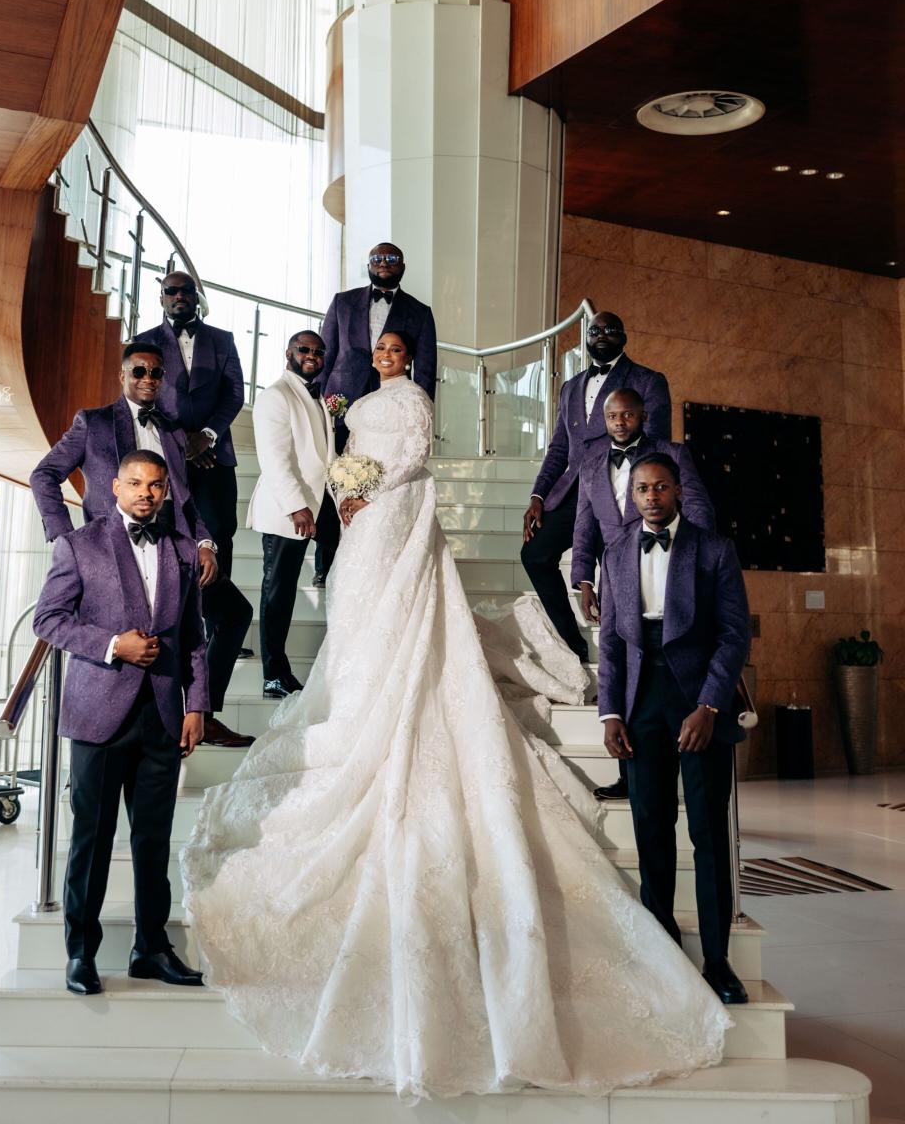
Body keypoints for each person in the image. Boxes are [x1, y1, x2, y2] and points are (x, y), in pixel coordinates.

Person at [180, 331, 730, 1099]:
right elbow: (351, 454)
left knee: (404, 617)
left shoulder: (413, 398)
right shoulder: (358, 400)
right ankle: (360, 698)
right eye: (379, 348)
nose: (386, 355)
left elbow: (413, 456)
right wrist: (346, 490)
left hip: (399, 514)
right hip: (363, 517)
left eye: (396, 347)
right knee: (357, 619)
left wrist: (369, 491)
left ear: (409, 357)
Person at [33, 450, 208, 997]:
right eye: (135, 483)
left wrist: (197, 705)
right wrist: (114, 645)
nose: (145, 493)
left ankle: (150, 949)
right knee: (91, 840)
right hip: (98, 717)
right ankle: (80, 954)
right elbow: (48, 620)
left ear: (165, 491)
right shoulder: (79, 545)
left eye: (155, 485)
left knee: (153, 841)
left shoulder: (182, 550)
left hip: (162, 716)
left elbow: (195, 636)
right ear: (115, 486)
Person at [29, 342, 253, 749]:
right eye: (139, 371)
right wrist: (66, 538)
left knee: (235, 613)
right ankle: (101, 740)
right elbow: (44, 475)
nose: (147, 378)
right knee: (126, 640)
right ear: (123, 376)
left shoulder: (172, 430)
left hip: (174, 550)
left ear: (163, 379)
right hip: (114, 550)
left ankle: (203, 714)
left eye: (155, 373)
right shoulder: (93, 422)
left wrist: (204, 542)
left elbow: (184, 500)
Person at [597, 452, 751, 1006]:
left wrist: (709, 706)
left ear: (679, 490)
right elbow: (610, 641)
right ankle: (662, 947)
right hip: (642, 702)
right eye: (642, 489)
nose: (651, 496)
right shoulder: (616, 552)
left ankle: (717, 961)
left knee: (708, 834)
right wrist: (611, 713)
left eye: (661, 487)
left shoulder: (714, 550)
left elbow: (734, 636)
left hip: (699, 698)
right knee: (651, 827)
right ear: (632, 496)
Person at [570, 387, 714, 800]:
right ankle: (631, 773)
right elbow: (584, 525)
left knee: (677, 661)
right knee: (626, 665)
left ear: (643, 416)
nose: (620, 422)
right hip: (619, 573)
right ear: (604, 420)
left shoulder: (672, 453)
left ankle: (686, 764)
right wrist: (584, 578)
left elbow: (699, 507)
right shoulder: (591, 464)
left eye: (628, 415)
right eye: (612, 416)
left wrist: (695, 558)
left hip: (672, 564)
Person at [521, 312, 671, 663]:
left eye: (610, 329)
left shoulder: (648, 380)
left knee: (621, 575)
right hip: (574, 491)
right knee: (535, 554)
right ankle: (573, 645)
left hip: (621, 491)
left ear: (624, 337)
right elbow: (559, 447)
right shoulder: (571, 386)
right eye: (594, 330)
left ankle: (631, 658)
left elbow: (658, 444)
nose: (601, 334)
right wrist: (538, 495)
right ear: (586, 339)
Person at [314, 242, 437, 588]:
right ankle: (326, 562)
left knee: (379, 487)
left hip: (393, 407)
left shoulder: (420, 312)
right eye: (377, 258)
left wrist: (419, 412)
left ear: (403, 266)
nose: (384, 263)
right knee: (335, 478)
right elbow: (326, 355)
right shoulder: (342, 302)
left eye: (392, 258)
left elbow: (426, 369)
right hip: (342, 408)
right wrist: (319, 405)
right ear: (368, 264)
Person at [132, 270, 246, 598]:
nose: (179, 296)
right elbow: (141, 396)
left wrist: (207, 435)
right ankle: (174, 614)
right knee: (168, 533)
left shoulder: (223, 339)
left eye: (186, 290)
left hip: (215, 455)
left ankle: (217, 617)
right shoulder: (144, 341)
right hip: (166, 456)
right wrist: (182, 441)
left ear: (197, 297)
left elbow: (234, 393)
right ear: (162, 299)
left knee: (220, 532)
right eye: (171, 291)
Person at [249, 331, 339, 700]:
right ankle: (274, 674)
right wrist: (296, 506)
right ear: (289, 353)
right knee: (278, 591)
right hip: (288, 510)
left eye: (318, 351)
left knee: (345, 571)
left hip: (322, 504)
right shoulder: (276, 396)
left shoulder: (317, 396)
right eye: (304, 349)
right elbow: (275, 460)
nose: (311, 355)